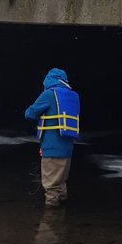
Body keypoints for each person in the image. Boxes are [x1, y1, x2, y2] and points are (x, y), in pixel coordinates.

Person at [24, 67, 80, 206]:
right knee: (61, 185)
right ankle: (63, 221)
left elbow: (30, 114)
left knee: (51, 188)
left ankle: (51, 223)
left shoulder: (49, 94)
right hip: (67, 149)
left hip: (51, 147)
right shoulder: (73, 96)